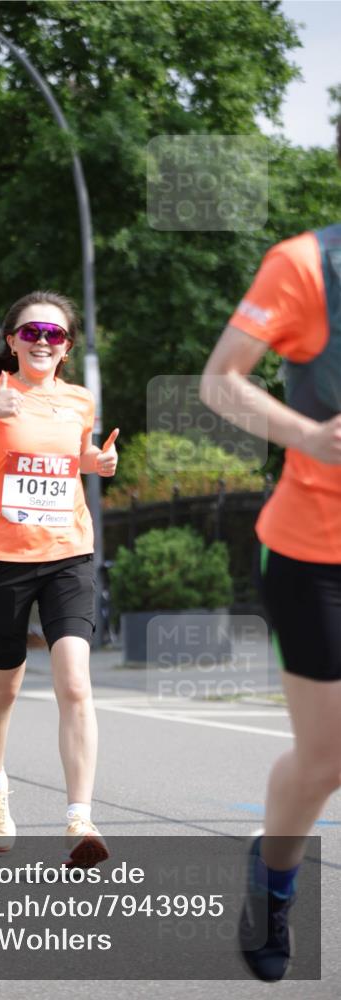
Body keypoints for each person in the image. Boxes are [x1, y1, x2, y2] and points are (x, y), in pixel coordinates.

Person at [200, 130, 341, 981]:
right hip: (313, 552)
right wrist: (306, 437)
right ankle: (274, 881)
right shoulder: (301, 267)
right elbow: (220, 380)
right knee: (326, 759)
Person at [0, 291, 119, 867]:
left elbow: (71, 454)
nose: (44, 341)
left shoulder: (78, 400)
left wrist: (96, 462)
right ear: (11, 339)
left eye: (56, 334)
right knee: (4, 686)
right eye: (33, 332)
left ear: (66, 348)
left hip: (68, 555)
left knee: (75, 682)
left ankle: (79, 817)